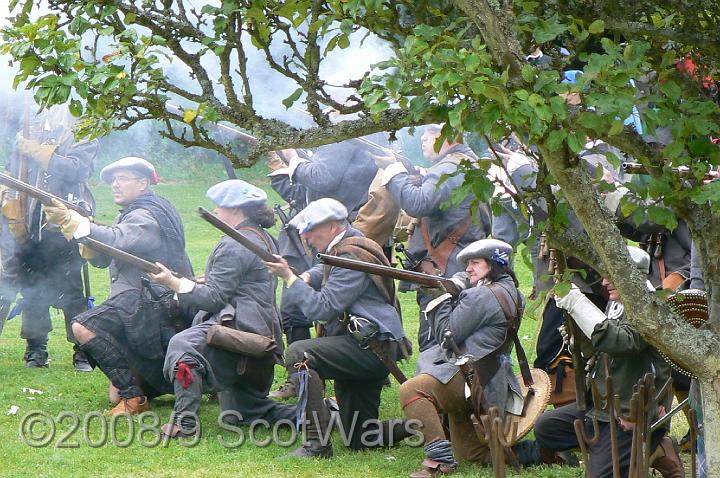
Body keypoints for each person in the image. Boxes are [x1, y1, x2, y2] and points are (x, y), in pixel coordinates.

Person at [43, 156, 193, 414]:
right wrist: (78, 229)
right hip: (145, 301)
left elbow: (118, 239)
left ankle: (135, 398)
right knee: (113, 395)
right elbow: (107, 256)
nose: (115, 185)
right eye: (113, 180)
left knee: (82, 326)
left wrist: (76, 222)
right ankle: (142, 387)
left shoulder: (146, 214)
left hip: (149, 304)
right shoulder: (144, 209)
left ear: (143, 183)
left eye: (122, 179)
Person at [265, 198, 411, 457]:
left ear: (333, 227)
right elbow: (330, 265)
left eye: (311, 230)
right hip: (365, 346)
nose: (306, 237)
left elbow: (322, 309)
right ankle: (423, 426)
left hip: (369, 350)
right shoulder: (350, 243)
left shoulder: (350, 251)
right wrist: (308, 276)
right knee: (362, 438)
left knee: (299, 353)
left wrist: (290, 279)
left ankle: (316, 444)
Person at [149, 179, 295, 437]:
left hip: (241, 331)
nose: (215, 212)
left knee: (183, 346)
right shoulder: (261, 237)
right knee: (246, 413)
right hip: (262, 332)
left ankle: (185, 425)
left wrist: (173, 282)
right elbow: (239, 285)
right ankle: (317, 412)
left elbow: (213, 299)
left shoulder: (235, 244)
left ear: (237, 210)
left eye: (219, 207)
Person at [533, 246, 684, 478]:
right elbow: (601, 349)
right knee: (547, 428)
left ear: (633, 276)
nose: (604, 282)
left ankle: (653, 448)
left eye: (612, 275)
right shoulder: (617, 304)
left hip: (633, 412)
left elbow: (622, 342)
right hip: (604, 407)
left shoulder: (650, 307)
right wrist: (579, 336)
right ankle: (614, 450)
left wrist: (578, 305)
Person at [399, 239, 525, 477]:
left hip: (472, 379)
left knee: (412, 390)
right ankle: (538, 452)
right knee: (472, 455)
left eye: (475, 263)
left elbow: (447, 336)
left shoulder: (481, 297)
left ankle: (439, 460)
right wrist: (457, 285)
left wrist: (437, 298)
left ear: (494, 265)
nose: (468, 268)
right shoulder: (514, 292)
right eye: (468, 264)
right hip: (494, 381)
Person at [0, 104, 97, 370]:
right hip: (26, 220)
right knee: (32, 288)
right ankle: (36, 348)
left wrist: (37, 151)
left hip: (63, 222)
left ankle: (83, 351)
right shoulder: (28, 130)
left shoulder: (85, 131)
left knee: (72, 290)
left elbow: (77, 170)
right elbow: (12, 171)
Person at [382, 124, 491, 352]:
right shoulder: (467, 163)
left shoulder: (447, 169)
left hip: (444, 273)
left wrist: (394, 175)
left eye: (431, 132)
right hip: (460, 265)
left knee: (436, 345)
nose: (423, 138)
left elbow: (417, 203)